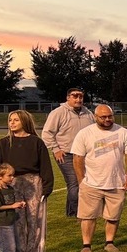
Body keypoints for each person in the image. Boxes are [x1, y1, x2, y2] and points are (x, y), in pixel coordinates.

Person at [71, 105, 127, 252]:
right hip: (91, 183)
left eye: (110, 116)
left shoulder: (123, 132)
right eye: (103, 117)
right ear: (95, 117)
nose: (107, 119)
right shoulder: (85, 134)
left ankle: (109, 242)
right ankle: (86, 245)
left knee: (113, 215)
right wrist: (82, 181)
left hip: (116, 182)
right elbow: (77, 159)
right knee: (88, 216)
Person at [0, 110, 53, 252]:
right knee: (17, 220)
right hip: (12, 183)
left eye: (16, 120)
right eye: (10, 120)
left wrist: (47, 188)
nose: (12, 123)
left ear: (24, 122)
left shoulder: (36, 142)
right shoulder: (3, 143)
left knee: (34, 219)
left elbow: (45, 166)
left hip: (33, 183)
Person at [40, 86, 94, 217]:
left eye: (81, 96)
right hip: (66, 153)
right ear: (68, 98)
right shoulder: (58, 113)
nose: (78, 99)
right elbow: (47, 133)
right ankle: (76, 213)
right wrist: (56, 149)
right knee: (74, 182)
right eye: (75, 96)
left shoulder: (88, 114)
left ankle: (72, 211)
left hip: (84, 154)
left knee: (85, 181)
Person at [0, 163, 24, 252]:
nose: (12, 177)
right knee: (7, 245)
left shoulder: (10, 188)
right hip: (2, 223)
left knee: (15, 244)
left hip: (11, 220)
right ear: (0, 177)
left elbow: (12, 202)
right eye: (9, 175)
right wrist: (12, 206)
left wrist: (19, 204)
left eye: (12, 175)